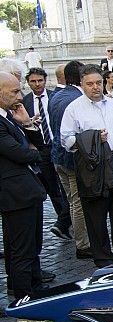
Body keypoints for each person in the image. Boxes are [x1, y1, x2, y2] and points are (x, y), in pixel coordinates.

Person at [60, 64, 113, 267]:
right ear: (82, 85)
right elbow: (66, 141)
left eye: (98, 83)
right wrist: (92, 139)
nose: (95, 87)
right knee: (96, 213)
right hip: (93, 165)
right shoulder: (73, 108)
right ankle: (102, 258)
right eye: (90, 84)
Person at [0, 71, 46, 299]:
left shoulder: (10, 118)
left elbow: (39, 146)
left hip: (27, 192)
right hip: (15, 196)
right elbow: (21, 153)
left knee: (32, 247)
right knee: (21, 250)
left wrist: (27, 123)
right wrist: (32, 152)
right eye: (15, 91)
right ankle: (23, 296)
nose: (20, 95)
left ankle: (34, 287)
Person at [48, 60, 92, 259]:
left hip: (58, 157)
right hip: (71, 158)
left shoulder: (56, 96)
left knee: (72, 200)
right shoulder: (76, 100)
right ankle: (83, 244)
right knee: (78, 203)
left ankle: (80, 238)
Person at [22, 67, 72, 240]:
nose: (37, 84)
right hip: (40, 149)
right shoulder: (24, 102)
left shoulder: (54, 97)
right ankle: (63, 222)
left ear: (45, 80)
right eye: (33, 81)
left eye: (40, 80)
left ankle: (65, 221)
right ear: (28, 83)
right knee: (52, 188)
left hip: (57, 147)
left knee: (66, 186)